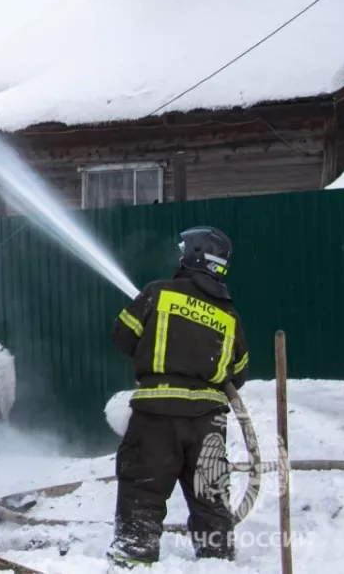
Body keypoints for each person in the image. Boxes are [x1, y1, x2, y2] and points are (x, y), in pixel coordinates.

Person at [106, 226, 249, 570]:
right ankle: (217, 561)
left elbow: (122, 336)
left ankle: (134, 556)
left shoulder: (158, 293)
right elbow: (238, 374)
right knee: (210, 497)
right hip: (208, 423)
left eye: (183, 249)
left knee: (143, 489)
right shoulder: (229, 316)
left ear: (195, 255)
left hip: (157, 416)